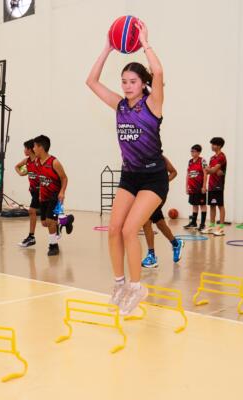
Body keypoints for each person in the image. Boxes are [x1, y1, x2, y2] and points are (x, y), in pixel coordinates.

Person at [86, 20, 164, 315]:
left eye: (132, 81)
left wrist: (145, 43)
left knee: (131, 229)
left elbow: (158, 71)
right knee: (114, 229)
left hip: (154, 178)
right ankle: (119, 283)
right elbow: (91, 82)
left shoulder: (152, 104)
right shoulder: (119, 106)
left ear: (142, 84)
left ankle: (136, 286)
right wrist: (107, 47)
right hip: (130, 176)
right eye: (124, 81)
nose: (126, 86)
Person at [142, 156, 184, 268]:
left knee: (146, 222)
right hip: (146, 192)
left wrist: (163, 182)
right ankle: (176, 243)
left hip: (159, 192)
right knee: (160, 223)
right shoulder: (139, 159)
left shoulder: (160, 158)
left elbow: (174, 172)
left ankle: (151, 255)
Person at [33, 135, 71, 256]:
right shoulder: (37, 162)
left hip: (55, 196)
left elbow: (64, 178)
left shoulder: (54, 162)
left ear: (41, 147)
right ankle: (68, 220)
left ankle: (53, 246)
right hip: (44, 196)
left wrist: (62, 192)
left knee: (50, 221)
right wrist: (39, 193)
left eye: (34, 146)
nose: (33, 149)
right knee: (45, 223)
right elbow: (41, 180)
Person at [15, 139, 40, 248]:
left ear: (30, 149)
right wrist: (22, 173)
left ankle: (31, 237)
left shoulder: (39, 161)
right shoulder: (27, 161)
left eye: (25, 148)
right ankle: (64, 221)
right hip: (33, 190)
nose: (24, 150)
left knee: (32, 211)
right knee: (46, 217)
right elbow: (16, 166)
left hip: (42, 190)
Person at [203, 137, 227, 236]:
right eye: (211, 144)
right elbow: (209, 172)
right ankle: (211, 226)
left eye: (214, 144)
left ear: (219, 146)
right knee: (212, 205)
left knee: (220, 205)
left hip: (218, 185)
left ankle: (221, 227)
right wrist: (209, 169)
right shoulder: (212, 158)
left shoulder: (222, 156)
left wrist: (207, 168)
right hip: (211, 185)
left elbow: (211, 171)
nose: (212, 146)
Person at [183, 144, 207, 231]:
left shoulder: (202, 161)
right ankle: (193, 222)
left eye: (194, 151)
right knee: (194, 204)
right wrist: (186, 186)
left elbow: (205, 173)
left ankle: (203, 224)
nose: (192, 153)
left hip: (199, 187)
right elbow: (188, 174)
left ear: (198, 152)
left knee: (202, 205)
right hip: (192, 187)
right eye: (191, 151)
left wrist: (204, 186)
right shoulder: (190, 161)